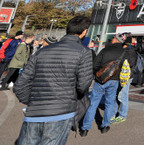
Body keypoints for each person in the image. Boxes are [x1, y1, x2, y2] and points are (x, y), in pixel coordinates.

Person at [13, 16, 93, 145]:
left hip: (34, 112)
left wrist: (35, 101)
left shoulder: (42, 51)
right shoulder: (84, 52)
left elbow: (20, 84)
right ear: (84, 31)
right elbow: (83, 86)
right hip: (61, 112)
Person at [80, 33, 133, 136]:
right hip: (114, 80)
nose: (112, 39)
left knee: (93, 103)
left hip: (100, 80)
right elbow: (127, 66)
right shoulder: (124, 53)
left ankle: (85, 128)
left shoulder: (105, 50)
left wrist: (98, 74)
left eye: (113, 37)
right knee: (110, 103)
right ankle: (105, 126)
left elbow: (95, 65)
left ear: (116, 39)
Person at [111, 34, 137, 125]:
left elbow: (129, 64)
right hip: (125, 76)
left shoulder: (128, 51)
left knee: (122, 95)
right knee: (119, 95)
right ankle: (113, 114)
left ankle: (122, 115)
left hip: (125, 76)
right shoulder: (131, 50)